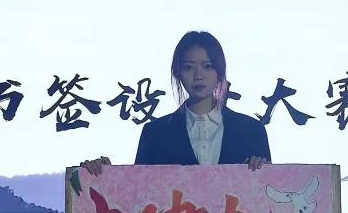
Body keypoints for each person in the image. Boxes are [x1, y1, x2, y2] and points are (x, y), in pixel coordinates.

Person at [80, 31, 270, 174]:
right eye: (189, 67)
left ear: (219, 72)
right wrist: (104, 176)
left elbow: (267, 197)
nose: (198, 75)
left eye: (207, 66)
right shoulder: (155, 133)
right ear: (178, 73)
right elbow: (140, 194)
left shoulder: (252, 131)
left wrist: (265, 172)